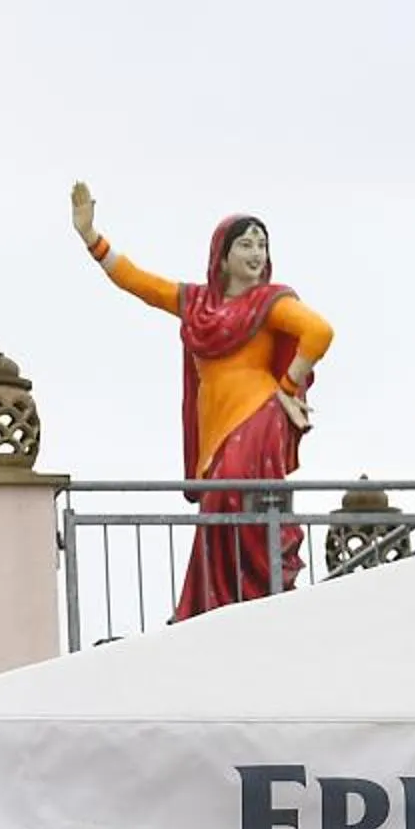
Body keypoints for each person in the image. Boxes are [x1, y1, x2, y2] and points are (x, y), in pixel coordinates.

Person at [71, 183, 333, 620]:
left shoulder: (270, 303)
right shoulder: (197, 303)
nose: (256, 253)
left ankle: (250, 598)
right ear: (223, 255)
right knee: (220, 503)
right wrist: (91, 236)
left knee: (236, 501)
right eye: (246, 244)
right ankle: (217, 603)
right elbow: (138, 282)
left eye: (262, 245)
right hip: (217, 427)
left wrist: (288, 388)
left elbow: (319, 332)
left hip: (258, 417)